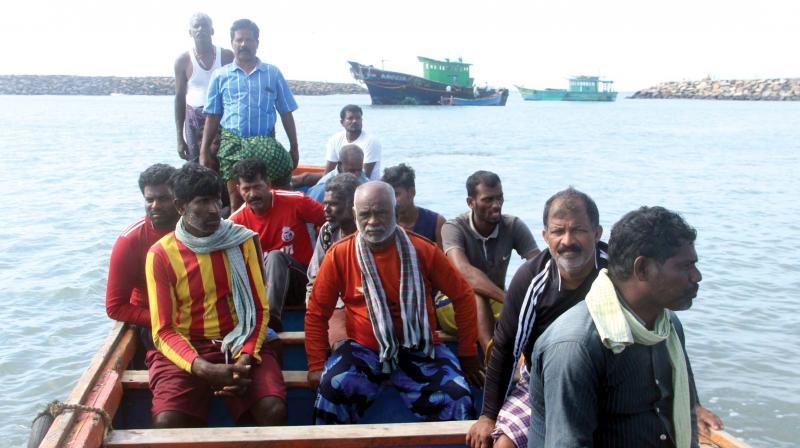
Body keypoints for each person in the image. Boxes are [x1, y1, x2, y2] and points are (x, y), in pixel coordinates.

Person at [527, 206, 713, 447]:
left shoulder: (667, 327)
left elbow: (680, 410)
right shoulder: (574, 346)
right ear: (643, 268)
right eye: (685, 266)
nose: (696, 276)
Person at [305, 181, 483, 424]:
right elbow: (316, 313)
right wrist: (316, 364)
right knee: (331, 390)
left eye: (381, 212)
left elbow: (463, 295)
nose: (373, 221)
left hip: (420, 347)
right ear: (355, 215)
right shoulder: (338, 254)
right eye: (365, 214)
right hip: (362, 349)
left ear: (395, 212)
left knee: (458, 396)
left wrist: (468, 353)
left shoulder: (424, 250)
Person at [146, 163, 285, 428]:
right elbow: (163, 330)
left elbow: (258, 310)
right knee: (167, 421)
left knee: (273, 409)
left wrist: (244, 359)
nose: (213, 210)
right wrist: (202, 368)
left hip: (239, 341)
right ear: (180, 206)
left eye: (216, 200)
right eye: (202, 202)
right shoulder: (160, 255)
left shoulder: (242, 241)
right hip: (187, 346)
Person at [467, 187, 607, 448]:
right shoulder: (531, 279)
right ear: (545, 236)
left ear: (597, 233)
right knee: (504, 444)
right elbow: (505, 348)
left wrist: (692, 404)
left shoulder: (618, 273)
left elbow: (659, 331)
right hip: (543, 381)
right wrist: (488, 415)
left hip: (607, 381)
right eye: (558, 231)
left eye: (578, 230)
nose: (568, 241)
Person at [200, 19, 300, 211]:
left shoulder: (272, 73)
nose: (243, 44)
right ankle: (239, 239)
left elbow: (286, 112)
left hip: (265, 143)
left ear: (257, 43)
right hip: (233, 145)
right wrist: (204, 151)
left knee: (279, 194)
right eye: (239, 40)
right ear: (232, 43)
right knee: (237, 201)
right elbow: (212, 116)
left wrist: (294, 147)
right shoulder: (220, 75)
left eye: (248, 40)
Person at [441, 171, 539, 354]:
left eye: (499, 198)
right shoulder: (454, 228)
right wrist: (509, 300)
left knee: (533, 304)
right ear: (471, 202)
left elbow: (540, 265)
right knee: (475, 294)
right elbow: (464, 272)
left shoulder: (513, 225)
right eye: (488, 200)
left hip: (496, 302)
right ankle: (491, 358)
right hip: (453, 304)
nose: (496, 205)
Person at [229, 159, 325, 332]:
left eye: (257, 187)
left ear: (268, 184)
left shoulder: (296, 202)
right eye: (246, 189)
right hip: (264, 288)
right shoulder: (236, 222)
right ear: (239, 190)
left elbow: (331, 220)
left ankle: (270, 320)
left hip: (302, 282)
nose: (252, 194)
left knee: (275, 256)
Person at [106, 164, 178, 348]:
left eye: (164, 199)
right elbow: (115, 307)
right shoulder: (129, 241)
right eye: (150, 199)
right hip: (153, 318)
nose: (156, 206)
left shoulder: (197, 230)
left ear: (178, 198)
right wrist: (164, 319)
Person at [305, 173, 361, 348]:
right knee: (341, 345)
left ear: (352, 205)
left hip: (365, 303)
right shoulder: (328, 232)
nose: (326, 209)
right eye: (325, 203)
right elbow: (315, 279)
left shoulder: (369, 234)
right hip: (335, 302)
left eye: (333, 204)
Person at [174, 13, 234, 161]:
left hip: (222, 118)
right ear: (190, 32)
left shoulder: (227, 56)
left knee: (225, 163)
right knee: (197, 165)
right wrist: (180, 139)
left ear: (212, 30)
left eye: (205, 25)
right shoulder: (183, 61)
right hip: (194, 119)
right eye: (196, 26)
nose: (201, 29)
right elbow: (179, 98)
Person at [381, 163, 446, 248]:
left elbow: (444, 259)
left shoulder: (436, 222)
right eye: (388, 195)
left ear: (412, 192)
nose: (391, 200)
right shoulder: (383, 223)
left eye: (396, 194)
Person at [323, 105, 382, 181]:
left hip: (366, 186)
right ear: (342, 122)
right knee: (306, 177)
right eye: (350, 118)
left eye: (358, 118)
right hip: (341, 181)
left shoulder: (371, 142)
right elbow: (329, 171)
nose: (355, 121)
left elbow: (364, 176)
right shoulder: (335, 139)